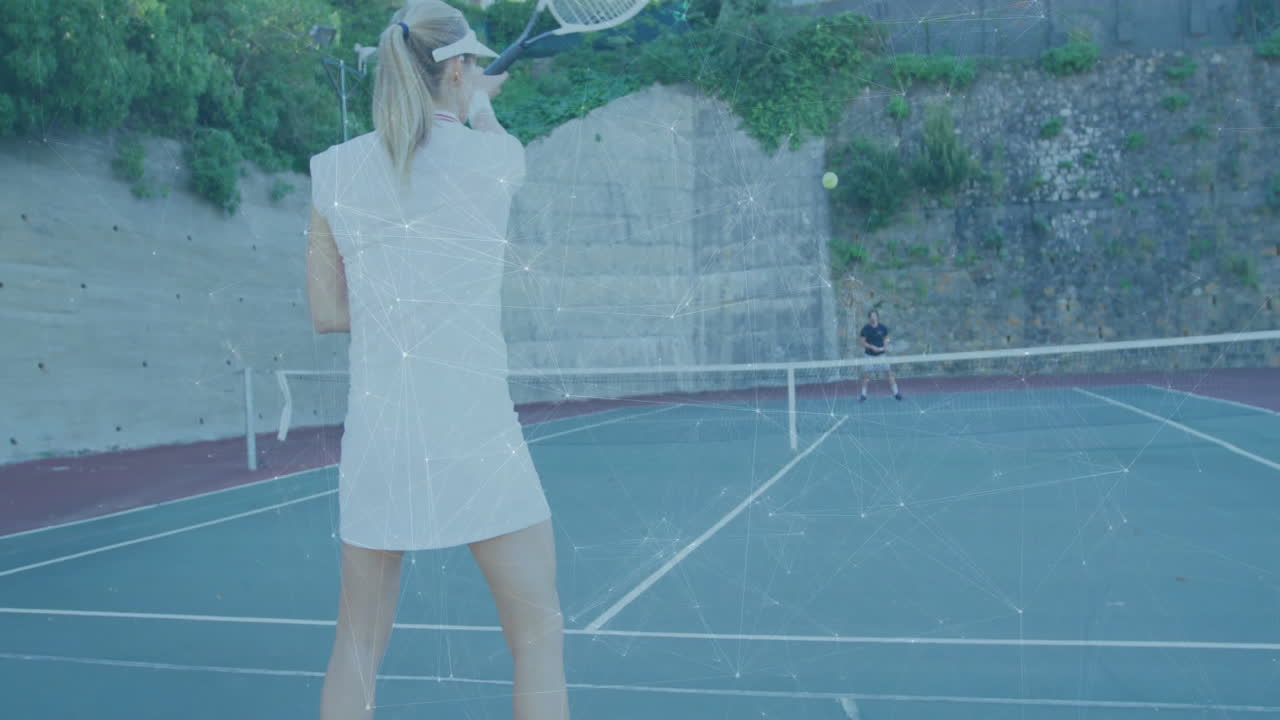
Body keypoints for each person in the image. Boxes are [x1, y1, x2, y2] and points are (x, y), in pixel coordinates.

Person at [305, 3, 568, 719]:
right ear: (456, 70)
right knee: (537, 640)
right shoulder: (495, 159)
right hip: (477, 434)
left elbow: (327, 311)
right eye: (471, 65)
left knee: (356, 647)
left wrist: (397, 309)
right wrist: (480, 105)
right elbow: (490, 140)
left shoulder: (331, 173)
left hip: (380, 440)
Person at [858, 309, 902, 401]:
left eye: (875, 316)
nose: (873, 318)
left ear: (877, 317)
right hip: (869, 356)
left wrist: (885, 345)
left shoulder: (883, 328)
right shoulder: (865, 329)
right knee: (865, 375)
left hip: (882, 356)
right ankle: (863, 394)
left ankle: (896, 393)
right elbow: (862, 342)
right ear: (869, 318)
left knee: (889, 373)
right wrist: (871, 347)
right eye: (871, 316)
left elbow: (886, 338)